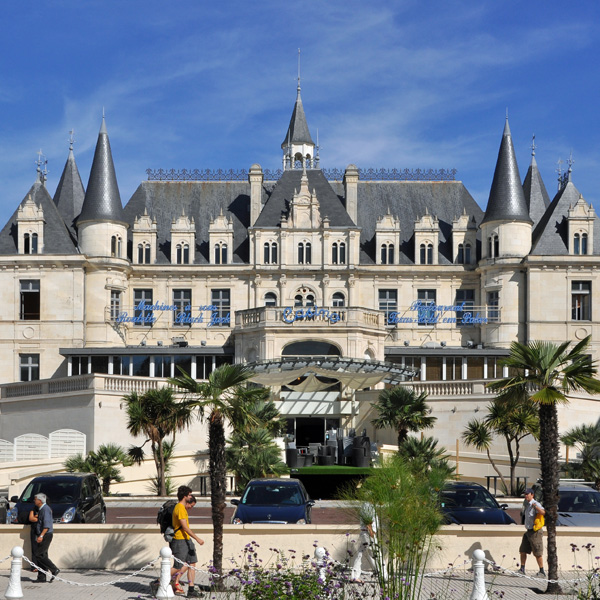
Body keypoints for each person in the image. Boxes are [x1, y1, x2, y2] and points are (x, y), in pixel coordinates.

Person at [170, 486, 204, 597]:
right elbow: (185, 527)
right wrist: (197, 538)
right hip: (180, 540)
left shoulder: (182, 508)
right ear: (185, 496)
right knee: (178, 566)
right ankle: (159, 581)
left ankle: (191, 589)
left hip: (186, 540)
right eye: (189, 495)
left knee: (192, 563)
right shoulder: (179, 508)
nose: (190, 497)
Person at [29, 493, 59, 583]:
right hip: (42, 534)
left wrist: (41, 536)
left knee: (39, 554)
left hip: (45, 535)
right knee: (42, 555)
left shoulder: (45, 509)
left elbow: (47, 525)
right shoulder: (41, 509)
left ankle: (54, 569)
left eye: (35, 499)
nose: (34, 501)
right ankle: (41, 577)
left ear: (40, 500)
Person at [519, 488, 545, 577]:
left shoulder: (535, 504)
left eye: (527, 494)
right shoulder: (526, 505)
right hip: (528, 531)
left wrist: (536, 507)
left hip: (535, 532)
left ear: (532, 495)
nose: (525, 496)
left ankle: (542, 571)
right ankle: (522, 569)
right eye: (525, 494)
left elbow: (543, 512)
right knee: (523, 550)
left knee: (537, 552)